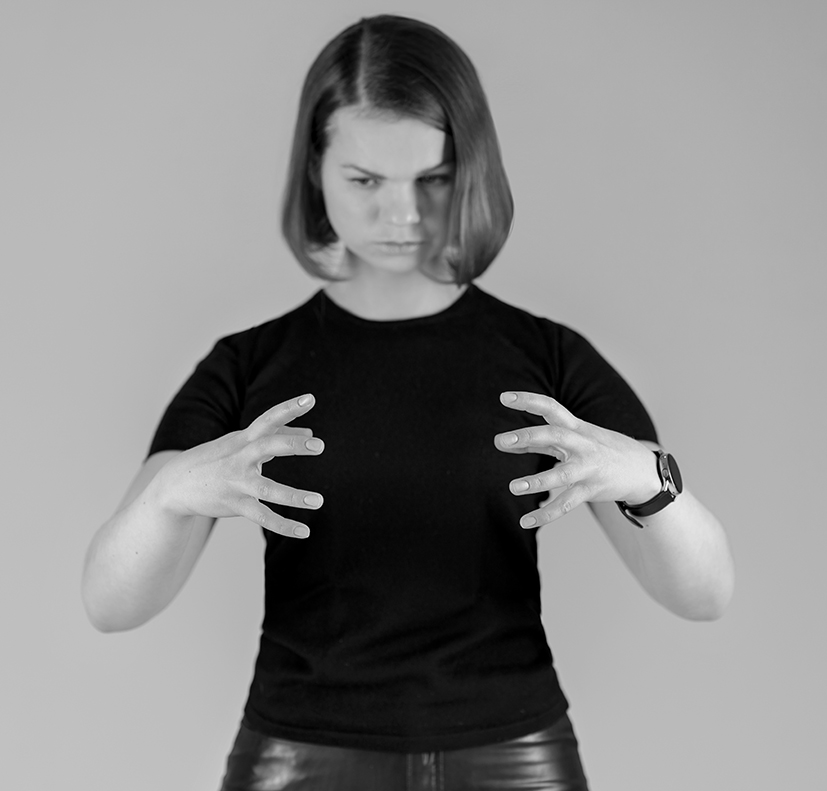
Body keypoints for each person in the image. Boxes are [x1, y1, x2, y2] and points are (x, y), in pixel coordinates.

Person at [82, 14, 734, 790]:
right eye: (365, 181)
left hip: (515, 758)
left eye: (433, 179)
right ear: (315, 171)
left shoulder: (548, 361)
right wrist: (169, 492)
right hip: (299, 761)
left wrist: (648, 479)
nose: (402, 216)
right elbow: (110, 603)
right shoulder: (246, 368)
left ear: (471, 170)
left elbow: (704, 594)